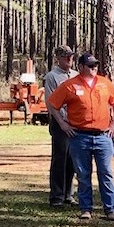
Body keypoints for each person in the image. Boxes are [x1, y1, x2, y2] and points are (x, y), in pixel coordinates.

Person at [46, 53, 114, 221]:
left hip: (103, 136)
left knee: (106, 173)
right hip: (80, 137)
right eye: (90, 65)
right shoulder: (69, 85)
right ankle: (86, 209)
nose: (94, 68)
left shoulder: (104, 83)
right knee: (83, 174)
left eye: (95, 65)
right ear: (80, 67)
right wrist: (63, 124)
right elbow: (52, 104)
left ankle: (110, 209)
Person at [44, 45, 76, 206]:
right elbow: (51, 103)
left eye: (70, 56)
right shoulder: (52, 77)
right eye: (65, 56)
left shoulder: (77, 75)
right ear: (58, 58)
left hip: (76, 123)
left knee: (72, 159)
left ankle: (68, 194)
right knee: (60, 159)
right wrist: (62, 122)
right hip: (60, 123)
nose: (69, 59)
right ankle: (56, 196)